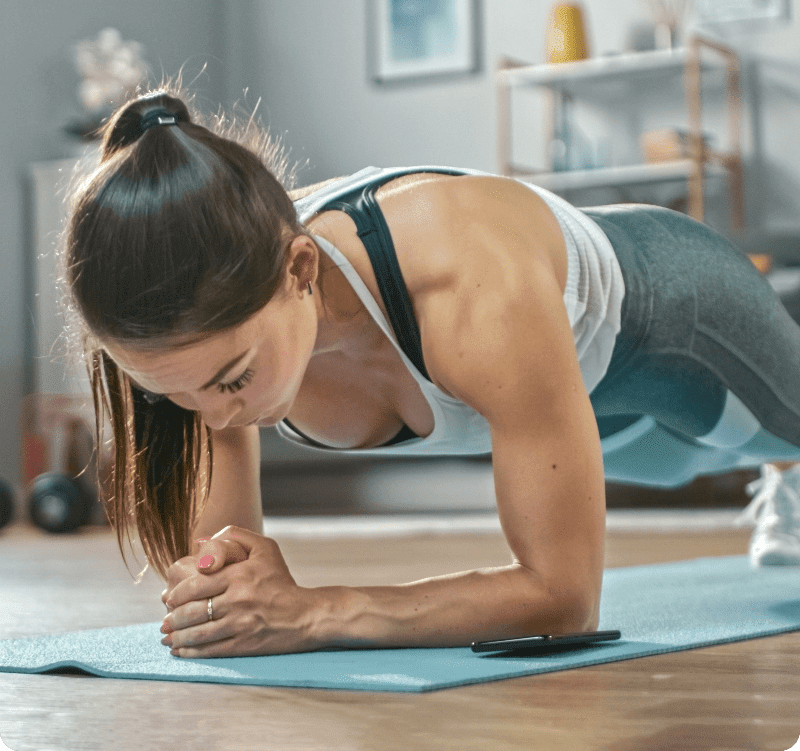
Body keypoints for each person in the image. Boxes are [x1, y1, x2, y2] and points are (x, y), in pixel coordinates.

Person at [63, 87, 800, 659]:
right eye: (173, 393)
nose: (213, 416)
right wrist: (222, 596)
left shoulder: (466, 281)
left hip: (672, 320)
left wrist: (317, 611)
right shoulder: (192, 333)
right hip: (573, 407)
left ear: (300, 270)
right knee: (672, 466)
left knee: (775, 438)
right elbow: (226, 582)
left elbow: (563, 599)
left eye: (231, 380)